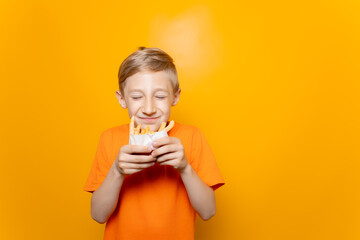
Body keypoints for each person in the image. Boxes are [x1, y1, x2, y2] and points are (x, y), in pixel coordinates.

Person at [84, 47, 225, 240]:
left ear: (175, 97)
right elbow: (98, 215)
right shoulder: (109, 138)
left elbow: (208, 212)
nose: (149, 108)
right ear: (122, 99)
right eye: (136, 97)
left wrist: (185, 168)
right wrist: (117, 170)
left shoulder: (192, 137)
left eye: (159, 96)